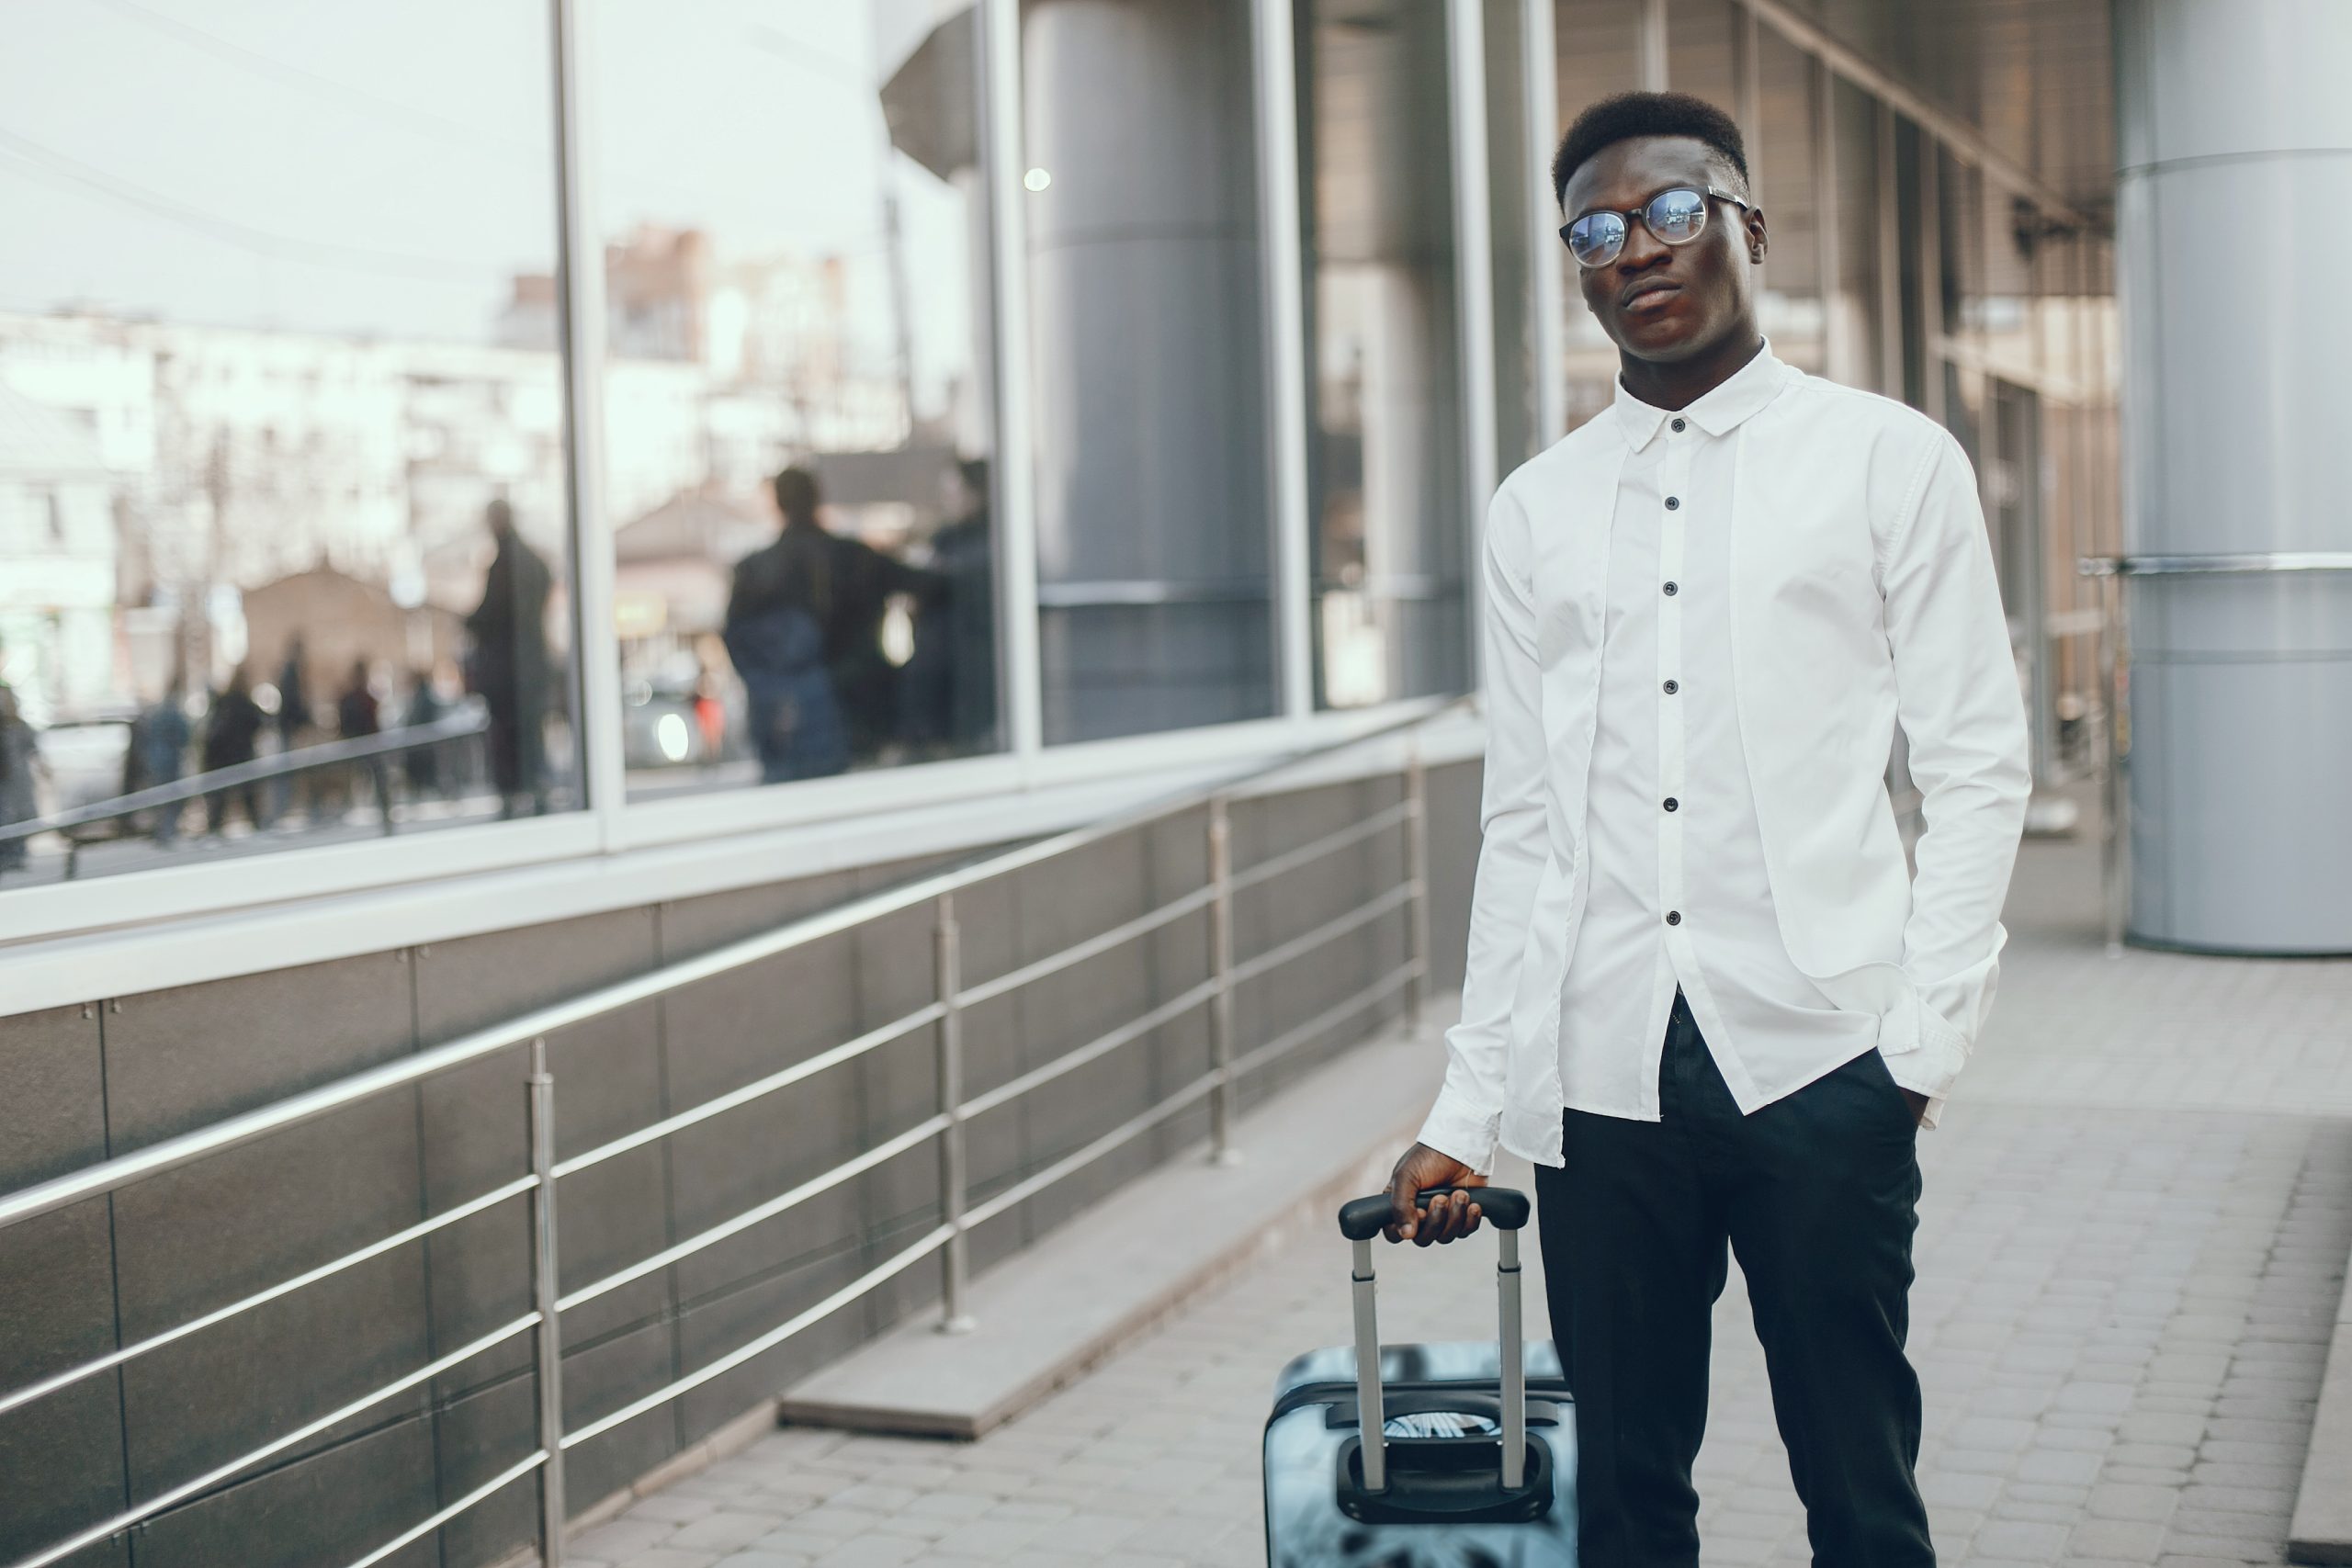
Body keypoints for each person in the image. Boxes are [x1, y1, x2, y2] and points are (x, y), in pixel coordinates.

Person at [1380, 93, 2029, 1568]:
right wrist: (1468, 1107)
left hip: (1820, 1056)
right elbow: (1527, 822)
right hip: (1599, 1082)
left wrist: (1916, 1048)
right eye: (1596, 233)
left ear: (1748, 225)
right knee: (1623, 1497)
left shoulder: (1887, 458)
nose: (1636, 250)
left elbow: (1979, 764)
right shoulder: (1536, 508)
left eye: (1671, 210)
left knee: (1859, 1485)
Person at [723, 468, 850, 783]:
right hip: (831, 715)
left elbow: (735, 639)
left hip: (787, 712)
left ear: (778, 504)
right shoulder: (845, 559)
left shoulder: (756, 568)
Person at [901, 457, 998, 755]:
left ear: (977, 493)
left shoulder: (989, 541)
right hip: (938, 670)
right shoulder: (945, 539)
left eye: (954, 491)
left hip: (967, 672)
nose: (948, 499)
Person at [466, 498, 553, 818]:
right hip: (524, 668)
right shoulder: (526, 561)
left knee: (512, 735)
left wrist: (470, 624)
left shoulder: (510, 563)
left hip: (510, 671)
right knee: (528, 734)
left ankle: (518, 793)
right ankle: (532, 790)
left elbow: (492, 613)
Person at [201, 666, 267, 836]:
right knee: (248, 796)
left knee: (220, 799)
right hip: (241, 756)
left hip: (223, 758)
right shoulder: (245, 704)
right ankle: (257, 827)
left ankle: (214, 831)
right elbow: (258, 724)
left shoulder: (224, 702)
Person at [140, 679, 192, 846]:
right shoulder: (174, 712)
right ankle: (168, 830)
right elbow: (184, 736)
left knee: (161, 796)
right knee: (173, 796)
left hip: (156, 759)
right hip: (170, 761)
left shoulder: (157, 713)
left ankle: (161, 829)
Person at [0, 687, 40, 872]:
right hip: (5, 781)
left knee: (19, 815)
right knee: (6, 816)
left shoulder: (18, 726)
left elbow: (32, 747)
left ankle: (17, 853)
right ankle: (8, 855)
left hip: (18, 779)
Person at [336, 659, 382, 816]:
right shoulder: (355, 698)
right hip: (357, 742)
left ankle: (369, 803)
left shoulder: (365, 698)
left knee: (367, 774)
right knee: (357, 775)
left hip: (365, 742)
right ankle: (355, 804)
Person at [402, 667, 444, 801]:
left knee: (425, 773)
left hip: (422, 741)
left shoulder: (423, 696)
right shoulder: (418, 696)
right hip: (418, 741)